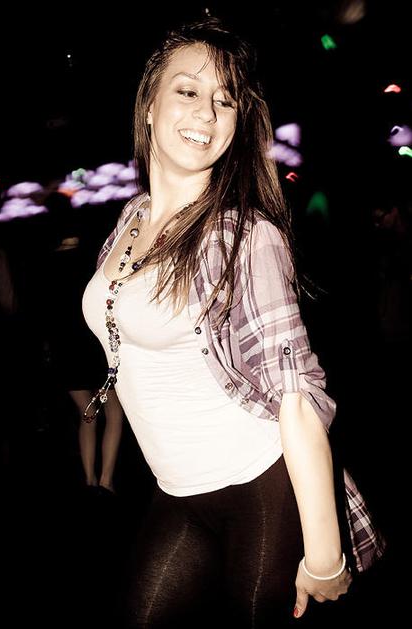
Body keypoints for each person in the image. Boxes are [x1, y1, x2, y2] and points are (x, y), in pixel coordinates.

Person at [82, 18, 384, 627]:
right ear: (149, 106)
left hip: (261, 486)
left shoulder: (242, 236)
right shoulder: (131, 218)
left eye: (225, 100)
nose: (207, 112)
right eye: (188, 90)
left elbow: (296, 397)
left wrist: (325, 556)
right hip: (175, 489)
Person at [45, 190, 124, 494]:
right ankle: (106, 479)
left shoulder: (46, 266)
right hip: (97, 347)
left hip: (66, 349)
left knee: (87, 415)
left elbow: (44, 316)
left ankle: (89, 479)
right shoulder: (95, 262)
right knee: (114, 411)